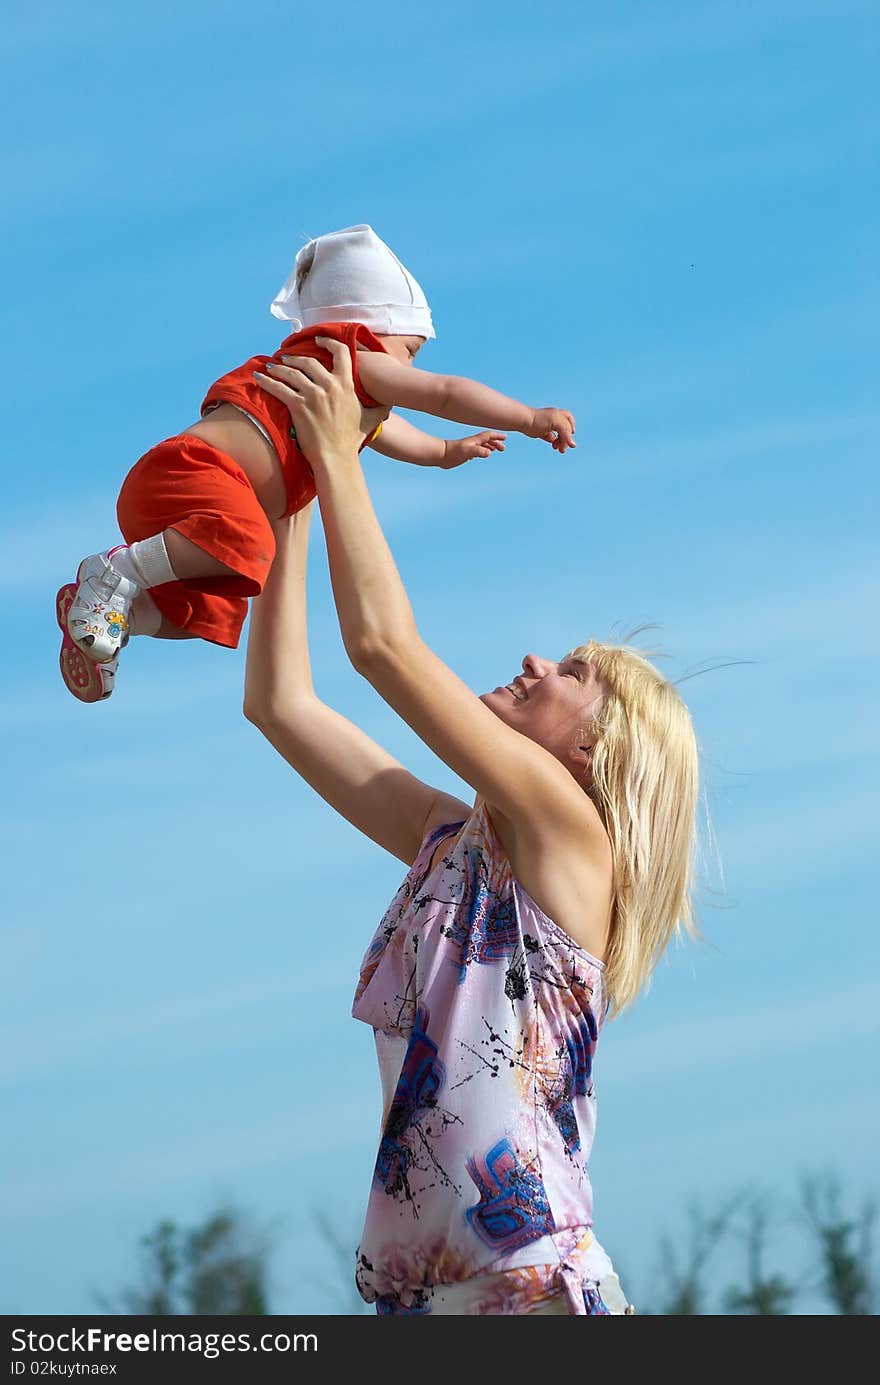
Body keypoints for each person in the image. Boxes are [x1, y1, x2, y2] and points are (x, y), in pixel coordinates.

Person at [243, 341, 700, 1316]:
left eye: (577, 672)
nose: (540, 657)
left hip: (525, 1279)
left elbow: (382, 649)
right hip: (431, 1299)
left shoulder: (569, 836)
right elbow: (281, 703)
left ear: (600, 755)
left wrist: (334, 454)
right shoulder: (459, 846)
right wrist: (289, 492)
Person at [56, 224, 576, 704]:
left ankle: (118, 618)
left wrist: (444, 453)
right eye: (411, 350)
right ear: (370, 328)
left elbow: (391, 434)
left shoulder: (341, 400)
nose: (413, 369)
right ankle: (113, 573)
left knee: (220, 602)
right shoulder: (343, 356)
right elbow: (441, 393)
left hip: (192, 515)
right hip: (189, 476)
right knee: (250, 543)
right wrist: (529, 417)